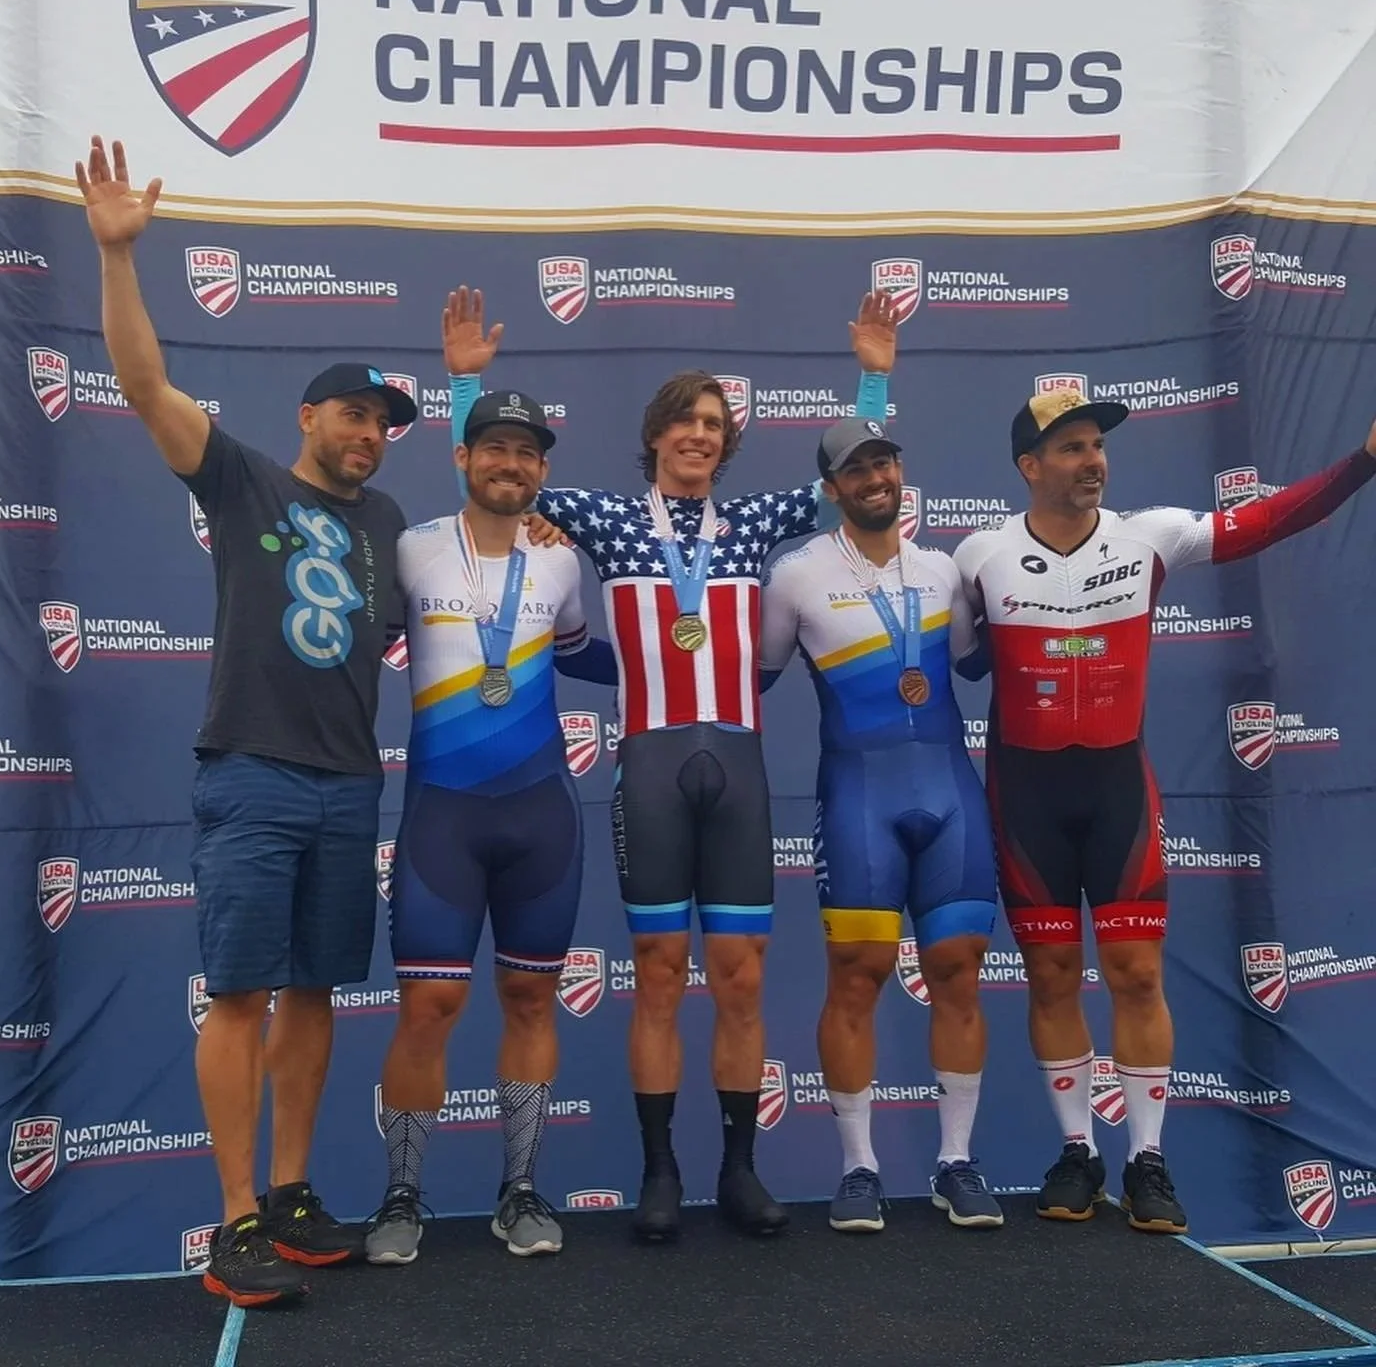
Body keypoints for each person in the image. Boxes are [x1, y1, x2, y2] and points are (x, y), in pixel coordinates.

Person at [440, 286, 890, 1240]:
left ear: (728, 445)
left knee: (740, 974)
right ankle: (658, 1174)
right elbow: (500, 486)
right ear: (655, 438)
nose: (700, 435)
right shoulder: (603, 519)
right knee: (655, 968)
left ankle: (738, 1170)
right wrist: (464, 386)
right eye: (685, 421)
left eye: (715, 425)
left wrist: (874, 381)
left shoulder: (762, 521)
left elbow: (849, 482)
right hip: (648, 764)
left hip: (738, 767)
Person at [77, 136, 414, 1307]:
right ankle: (230, 1222)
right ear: (311, 414)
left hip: (348, 782)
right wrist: (120, 258)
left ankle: (291, 1193)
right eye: (357, 415)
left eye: (386, 425)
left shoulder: (390, 527)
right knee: (240, 994)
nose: (371, 434)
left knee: (319, 990)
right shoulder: (244, 478)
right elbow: (141, 384)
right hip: (254, 772)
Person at [953, 386, 1376, 1233]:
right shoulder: (979, 555)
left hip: (1117, 791)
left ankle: (1147, 1157)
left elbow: (1266, 522)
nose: (1092, 461)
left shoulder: (1147, 537)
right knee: (1050, 976)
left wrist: (1363, 461)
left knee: (1138, 975)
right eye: (1070, 448)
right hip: (1026, 795)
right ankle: (1078, 1151)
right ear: (1029, 467)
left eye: (1097, 446)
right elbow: (957, 663)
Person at [365, 388, 617, 1267]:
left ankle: (519, 1190)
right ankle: (402, 1192)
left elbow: (585, 652)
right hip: (444, 811)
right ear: (463, 458)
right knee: (428, 1005)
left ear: (542, 471)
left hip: (541, 809)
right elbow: (361, 641)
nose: (511, 463)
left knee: (530, 997)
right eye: (494, 448)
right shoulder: (411, 548)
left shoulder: (559, 562)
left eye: (527, 452)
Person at [760, 372, 1003, 1234]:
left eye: (885, 465)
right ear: (832, 490)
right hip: (858, 794)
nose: (875, 480)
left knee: (958, 976)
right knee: (855, 979)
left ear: (901, 476)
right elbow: (748, 681)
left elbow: (978, 666)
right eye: (856, 471)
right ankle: (858, 1168)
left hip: (950, 793)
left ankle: (956, 1162)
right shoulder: (794, 577)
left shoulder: (944, 570)